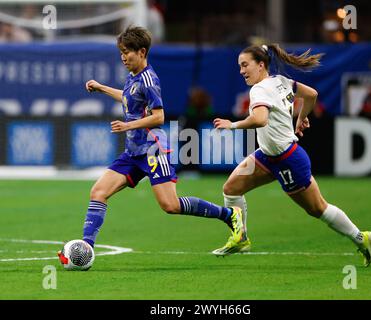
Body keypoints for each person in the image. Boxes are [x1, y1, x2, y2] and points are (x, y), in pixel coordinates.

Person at [57, 26, 244, 264]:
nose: (123, 57)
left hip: (153, 150)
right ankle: (86, 248)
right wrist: (102, 88)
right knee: (99, 192)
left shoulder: (149, 79)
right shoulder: (133, 76)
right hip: (134, 151)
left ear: (142, 51)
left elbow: (159, 117)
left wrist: (127, 126)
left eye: (127, 52)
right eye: (121, 52)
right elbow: (128, 97)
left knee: (170, 205)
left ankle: (229, 215)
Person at [212, 44, 371, 267]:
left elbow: (260, 119)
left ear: (261, 65)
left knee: (318, 209)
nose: (241, 71)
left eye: (245, 65)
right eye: (239, 66)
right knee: (231, 189)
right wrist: (301, 117)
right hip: (267, 157)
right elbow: (312, 95)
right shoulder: (280, 81)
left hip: (288, 160)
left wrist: (232, 125)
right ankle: (240, 237)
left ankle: (361, 238)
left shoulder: (259, 90)